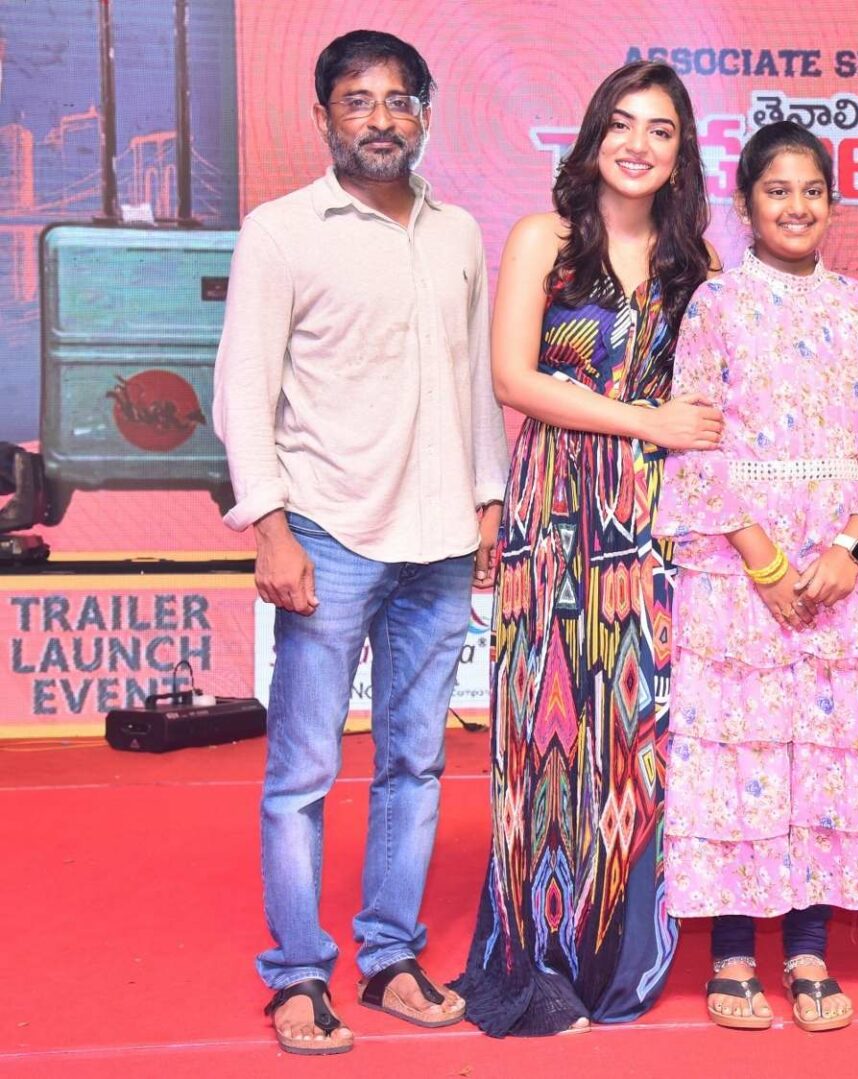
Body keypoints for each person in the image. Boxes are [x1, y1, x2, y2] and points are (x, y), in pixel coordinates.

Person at [212, 29, 508, 1056]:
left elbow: (474, 377)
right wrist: (270, 526)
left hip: (440, 539)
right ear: (323, 115)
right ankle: (298, 973)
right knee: (301, 771)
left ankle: (389, 957)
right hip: (327, 533)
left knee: (416, 762)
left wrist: (486, 497)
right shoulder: (280, 232)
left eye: (398, 101)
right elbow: (242, 390)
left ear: (425, 114)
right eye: (357, 101)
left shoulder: (458, 232)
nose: (380, 120)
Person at [450, 61, 720, 1037]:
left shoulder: (699, 264)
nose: (638, 144)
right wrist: (646, 418)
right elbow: (512, 379)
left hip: (651, 520)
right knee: (546, 729)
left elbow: (715, 396)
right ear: (594, 135)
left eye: (660, 129)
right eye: (622, 123)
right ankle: (537, 957)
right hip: (556, 513)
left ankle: (619, 953)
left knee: (637, 729)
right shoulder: (545, 240)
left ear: (682, 154)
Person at [654, 120, 858, 1033]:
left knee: (822, 763)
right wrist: (765, 561)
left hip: (838, 577)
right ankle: (733, 955)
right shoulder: (717, 304)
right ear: (746, 205)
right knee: (746, 760)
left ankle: (808, 950)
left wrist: (853, 551)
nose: (796, 206)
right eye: (778, 190)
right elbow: (697, 441)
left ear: (833, 205)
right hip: (740, 571)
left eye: (812, 191)